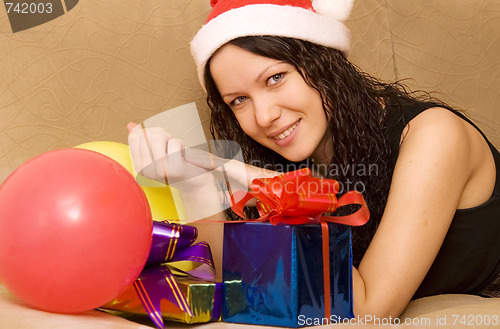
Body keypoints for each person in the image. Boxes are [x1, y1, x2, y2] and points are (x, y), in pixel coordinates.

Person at [128, 0, 500, 319]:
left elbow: (365, 312)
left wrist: (252, 178)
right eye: (238, 100)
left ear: (325, 64)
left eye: (275, 78)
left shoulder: (433, 135)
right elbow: (233, 283)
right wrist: (192, 182)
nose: (263, 116)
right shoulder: (286, 157)